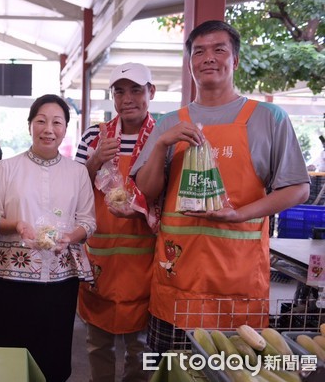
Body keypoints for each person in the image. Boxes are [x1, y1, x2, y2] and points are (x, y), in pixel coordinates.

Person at [131, 20, 310, 354]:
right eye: (199, 51)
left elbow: (297, 188)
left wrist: (240, 213)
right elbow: (148, 190)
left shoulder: (269, 117)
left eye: (219, 49)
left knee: (234, 371)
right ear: (190, 65)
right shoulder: (169, 122)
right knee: (170, 373)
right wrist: (160, 146)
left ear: (236, 60)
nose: (208, 58)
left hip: (237, 281)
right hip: (177, 280)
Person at [0, 94, 96, 382]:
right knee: (14, 356)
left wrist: (70, 236)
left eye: (57, 122)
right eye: (41, 121)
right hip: (12, 279)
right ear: (29, 125)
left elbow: (88, 222)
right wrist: (18, 224)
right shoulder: (7, 168)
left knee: (54, 356)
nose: (48, 129)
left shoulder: (77, 172)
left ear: (65, 128)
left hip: (60, 280)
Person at [75, 63, 158, 382]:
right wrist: (95, 160)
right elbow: (73, 189)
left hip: (145, 261)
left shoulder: (163, 136)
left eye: (136, 89)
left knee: (141, 346)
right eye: (119, 91)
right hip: (101, 259)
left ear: (151, 92)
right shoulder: (95, 135)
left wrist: (139, 209)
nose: (127, 98)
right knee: (98, 344)